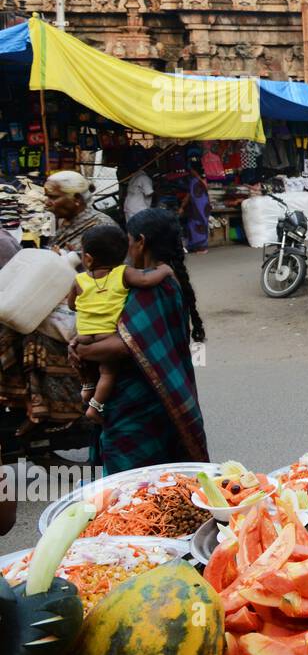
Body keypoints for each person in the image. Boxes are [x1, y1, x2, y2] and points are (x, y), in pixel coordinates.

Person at [69, 209, 208, 474]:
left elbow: (127, 345)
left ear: (141, 241)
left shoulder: (155, 287)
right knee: (160, 481)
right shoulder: (160, 279)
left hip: (140, 403)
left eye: (130, 241)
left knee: (134, 484)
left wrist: (83, 349)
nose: (127, 250)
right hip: (156, 396)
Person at [0, 171, 117, 431]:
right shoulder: (62, 223)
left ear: (76, 199)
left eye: (53, 197)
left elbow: (105, 278)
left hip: (92, 307)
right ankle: (21, 400)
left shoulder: (100, 227)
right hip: (59, 300)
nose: (47, 202)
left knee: (27, 331)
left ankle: (39, 406)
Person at [68, 224, 177, 423]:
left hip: (83, 336)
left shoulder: (79, 279)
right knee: (107, 372)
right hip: (107, 335)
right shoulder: (123, 273)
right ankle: (95, 407)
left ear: (88, 259)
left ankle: (86, 388)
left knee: (83, 362)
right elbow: (145, 280)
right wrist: (164, 270)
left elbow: (72, 304)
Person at [179, 162, 210, 254]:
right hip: (203, 208)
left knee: (195, 226)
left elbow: (188, 196)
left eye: (191, 170)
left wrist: (182, 207)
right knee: (199, 226)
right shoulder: (202, 181)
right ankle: (198, 247)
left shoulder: (194, 181)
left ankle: (202, 248)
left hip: (198, 208)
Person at [120, 159, 154, 224]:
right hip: (138, 209)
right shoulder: (144, 177)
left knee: (131, 229)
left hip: (129, 207)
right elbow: (149, 193)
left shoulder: (134, 177)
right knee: (140, 229)